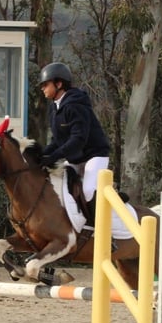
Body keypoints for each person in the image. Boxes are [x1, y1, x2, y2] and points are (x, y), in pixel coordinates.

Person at [38, 62, 111, 227]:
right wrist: (43, 155)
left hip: (94, 155)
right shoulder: (54, 108)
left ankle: (99, 230)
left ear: (59, 84)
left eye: (45, 84)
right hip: (75, 157)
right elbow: (57, 140)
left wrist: (54, 156)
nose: (42, 88)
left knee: (88, 190)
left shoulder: (75, 104)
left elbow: (78, 139)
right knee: (61, 188)